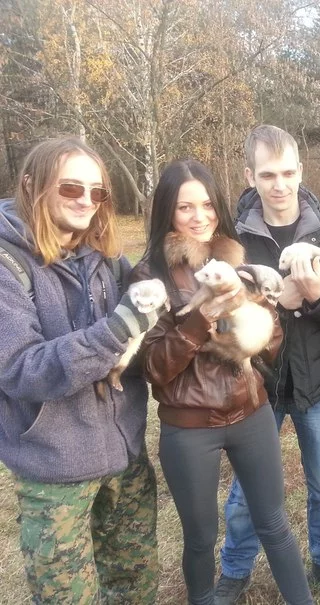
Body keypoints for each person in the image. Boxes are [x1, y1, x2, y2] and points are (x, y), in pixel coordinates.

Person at [133, 159, 313, 605]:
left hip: (250, 411)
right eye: (185, 207)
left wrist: (257, 316)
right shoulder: (149, 275)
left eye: (208, 205)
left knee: (274, 524)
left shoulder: (234, 259)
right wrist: (202, 319)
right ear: (167, 212)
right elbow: (154, 367)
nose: (200, 217)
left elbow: (271, 345)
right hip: (189, 426)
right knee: (200, 538)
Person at [0, 137, 160, 603]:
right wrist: (115, 331)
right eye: (71, 188)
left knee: (135, 588)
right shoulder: (8, 265)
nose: (86, 201)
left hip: (126, 457)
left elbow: (150, 331)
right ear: (31, 185)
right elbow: (21, 368)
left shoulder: (107, 259)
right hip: (56, 472)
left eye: (97, 192)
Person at [216, 125, 320, 605]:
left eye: (287, 173)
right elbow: (217, 322)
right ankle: (234, 570)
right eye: (267, 175)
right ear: (250, 176)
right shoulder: (232, 239)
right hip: (255, 385)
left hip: (316, 383)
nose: (279, 185)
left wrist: (316, 298)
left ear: (301, 171)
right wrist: (270, 304)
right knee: (247, 488)